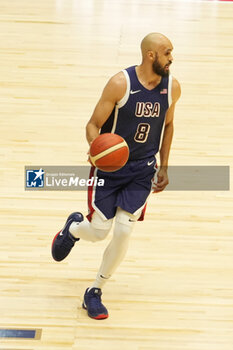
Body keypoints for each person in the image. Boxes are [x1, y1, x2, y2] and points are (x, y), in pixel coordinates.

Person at [52, 32, 181, 320]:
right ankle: (72, 230)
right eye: (167, 52)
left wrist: (165, 165)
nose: (172, 57)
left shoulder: (172, 87)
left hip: (141, 170)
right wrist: (96, 149)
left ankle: (95, 290)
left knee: (123, 230)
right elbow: (93, 125)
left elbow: (169, 125)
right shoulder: (120, 84)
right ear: (151, 55)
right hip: (110, 170)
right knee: (99, 231)